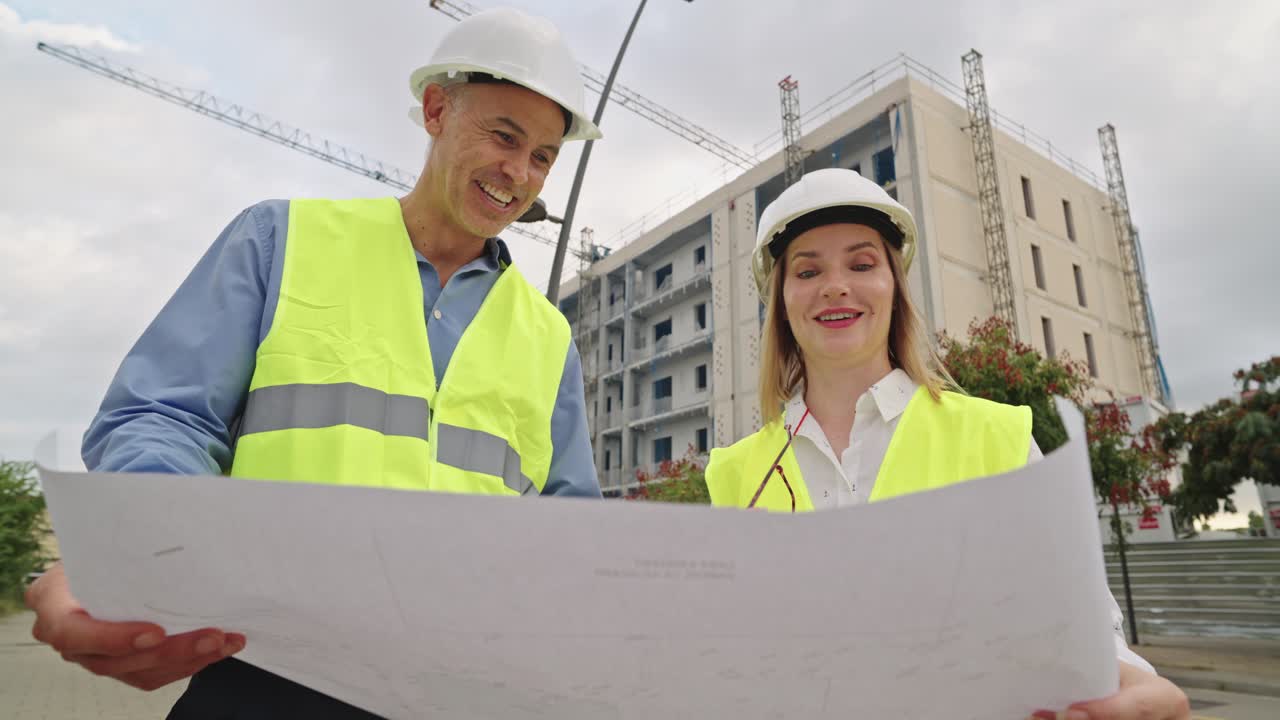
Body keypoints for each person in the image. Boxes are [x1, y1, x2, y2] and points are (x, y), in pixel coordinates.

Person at [24, 7, 602, 717]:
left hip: (461, 693)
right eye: (504, 137)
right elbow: (162, 416)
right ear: (435, 110)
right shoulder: (280, 240)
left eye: (543, 156)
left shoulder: (548, 335)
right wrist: (154, 552)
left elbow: (570, 530)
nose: (519, 173)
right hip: (267, 673)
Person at [704, 168, 1190, 719]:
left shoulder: (995, 439)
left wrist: (1123, 686)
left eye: (861, 265)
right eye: (807, 270)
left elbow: (1078, 625)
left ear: (895, 287)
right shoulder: (735, 474)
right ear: (781, 301)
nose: (834, 286)